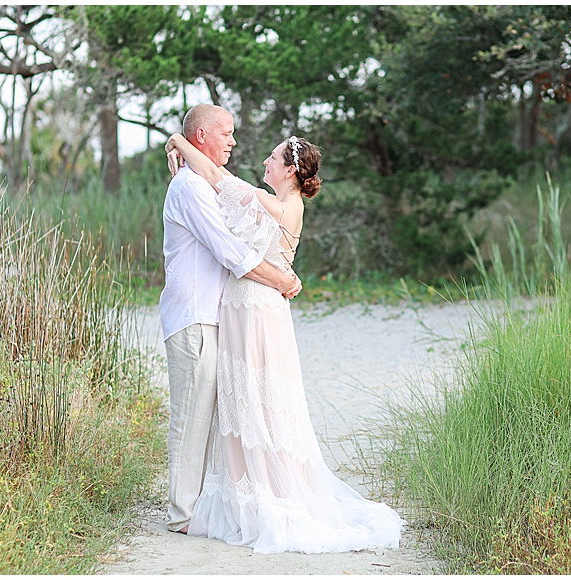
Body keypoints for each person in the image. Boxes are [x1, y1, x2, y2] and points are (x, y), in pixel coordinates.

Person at [163, 130, 405, 554]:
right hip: (244, 305)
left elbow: (218, 176)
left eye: (273, 158)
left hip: (256, 306)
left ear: (290, 170)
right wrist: (182, 147)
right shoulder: (275, 202)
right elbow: (216, 177)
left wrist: (177, 142)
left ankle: (266, 496)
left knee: (257, 398)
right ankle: (246, 491)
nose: (264, 162)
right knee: (243, 398)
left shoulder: (277, 203)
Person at [161, 104, 303, 536]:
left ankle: (201, 505)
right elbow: (229, 251)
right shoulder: (189, 187)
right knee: (191, 417)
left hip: (214, 316)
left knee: (212, 418)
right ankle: (183, 514)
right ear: (202, 135)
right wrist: (281, 278)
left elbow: (227, 197)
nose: (233, 142)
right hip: (195, 316)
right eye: (226, 134)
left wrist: (176, 141)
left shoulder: (202, 181)